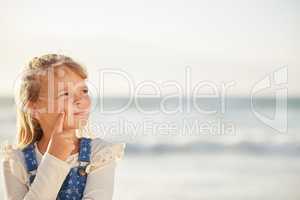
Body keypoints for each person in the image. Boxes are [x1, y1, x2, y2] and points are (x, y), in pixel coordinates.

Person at [0, 54, 126, 200]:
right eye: (65, 93)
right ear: (33, 108)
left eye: (84, 91)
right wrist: (54, 158)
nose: (80, 99)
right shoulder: (16, 161)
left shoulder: (100, 154)